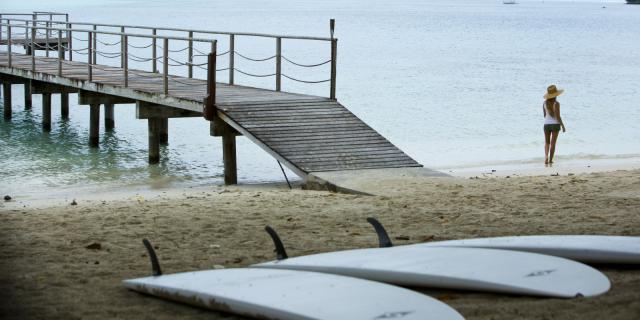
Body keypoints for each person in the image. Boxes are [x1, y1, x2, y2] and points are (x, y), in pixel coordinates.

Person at [542, 85, 566, 165]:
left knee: (547, 142)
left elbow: (545, 115)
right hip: (555, 125)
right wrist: (562, 125)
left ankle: (546, 158)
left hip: (546, 124)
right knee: (553, 143)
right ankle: (550, 160)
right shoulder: (556, 103)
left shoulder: (544, 103)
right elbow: (558, 116)